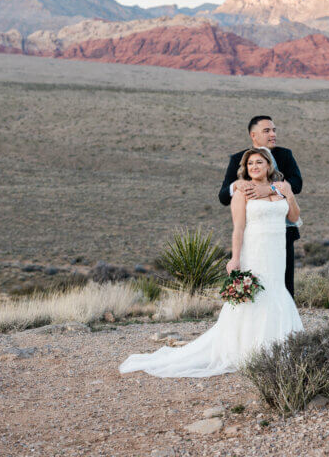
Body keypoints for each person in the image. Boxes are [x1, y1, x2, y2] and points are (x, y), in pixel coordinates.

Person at [119, 148, 303, 377]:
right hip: (254, 251)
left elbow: (294, 218)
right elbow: (238, 229)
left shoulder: (281, 189)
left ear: (268, 165)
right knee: (254, 296)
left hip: (276, 253)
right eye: (250, 164)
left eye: (259, 162)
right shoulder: (242, 192)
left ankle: (278, 347)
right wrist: (235, 258)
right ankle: (249, 349)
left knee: (276, 291)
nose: (254, 167)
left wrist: (290, 194)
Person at [218, 115, 302, 298]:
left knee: (285, 285)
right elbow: (223, 196)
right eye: (267, 131)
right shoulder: (239, 159)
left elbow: (296, 184)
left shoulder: (285, 155)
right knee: (257, 287)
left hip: (283, 232)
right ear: (253, 135)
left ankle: (285, 325)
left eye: (274, 130)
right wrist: (236, 185)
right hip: (255, 237)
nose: (273, 134)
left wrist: (270, 189)